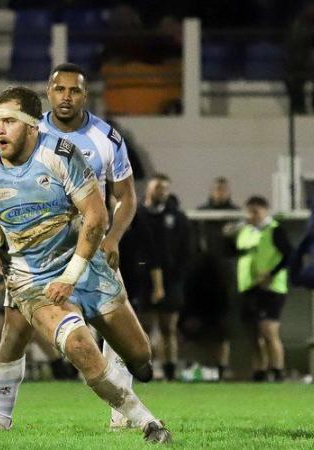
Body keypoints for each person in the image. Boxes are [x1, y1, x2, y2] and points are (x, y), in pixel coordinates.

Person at [0, 86, 171, 443]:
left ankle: (137, 373)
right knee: (80, 347)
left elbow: (96, 217)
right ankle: (148, 422)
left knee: (140, 355)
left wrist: (70, 276)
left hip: (84, 267)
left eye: (9, 121)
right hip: (32, 282)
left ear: (33, 126)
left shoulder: (62, 155)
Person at [38, 62, 154, 426]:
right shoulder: (30, 132)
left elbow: (126, 197)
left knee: (120, 333)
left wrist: (113, 237)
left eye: (74, 90)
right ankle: (1, 416)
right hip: (42, 251)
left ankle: (121, 410)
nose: (66, 97)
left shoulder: (107, 137)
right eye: (60, 89)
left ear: (85, 95)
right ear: (49, 92)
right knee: (13, 329)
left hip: (91, 247)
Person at [228, 196, 292, 381]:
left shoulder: (275, 230)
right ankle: (260, 370)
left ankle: (278, 370)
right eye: (249, 211)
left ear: (265, 211)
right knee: (254, 332)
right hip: (249, 286)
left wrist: (271, 274)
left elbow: (289, 255)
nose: (252, 215)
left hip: (271, 288)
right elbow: (236, 252)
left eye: (256, 211)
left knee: (269, 330)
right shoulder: (246, 230)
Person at [181, 177, 238, 380]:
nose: (220, 193)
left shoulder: (235, 215)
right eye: (217, 189)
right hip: (199, 279)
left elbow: (238, 249)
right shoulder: (201, 214)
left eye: (223, 189)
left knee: (222, 327)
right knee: (191, 325)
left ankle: (221, 368)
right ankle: (190, 366)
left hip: (223, 279)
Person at [137, 174, 191, 381]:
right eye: (158, 187)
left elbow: (187, 249)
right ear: (149, 189)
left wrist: (177, 275)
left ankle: (170, 369)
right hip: (142, 281)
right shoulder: (137, 214)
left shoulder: (177, 217)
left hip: (171, 280)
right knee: (144, 327)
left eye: (165, 188)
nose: (162, 192)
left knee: (169, 327)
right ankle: (143, 368)